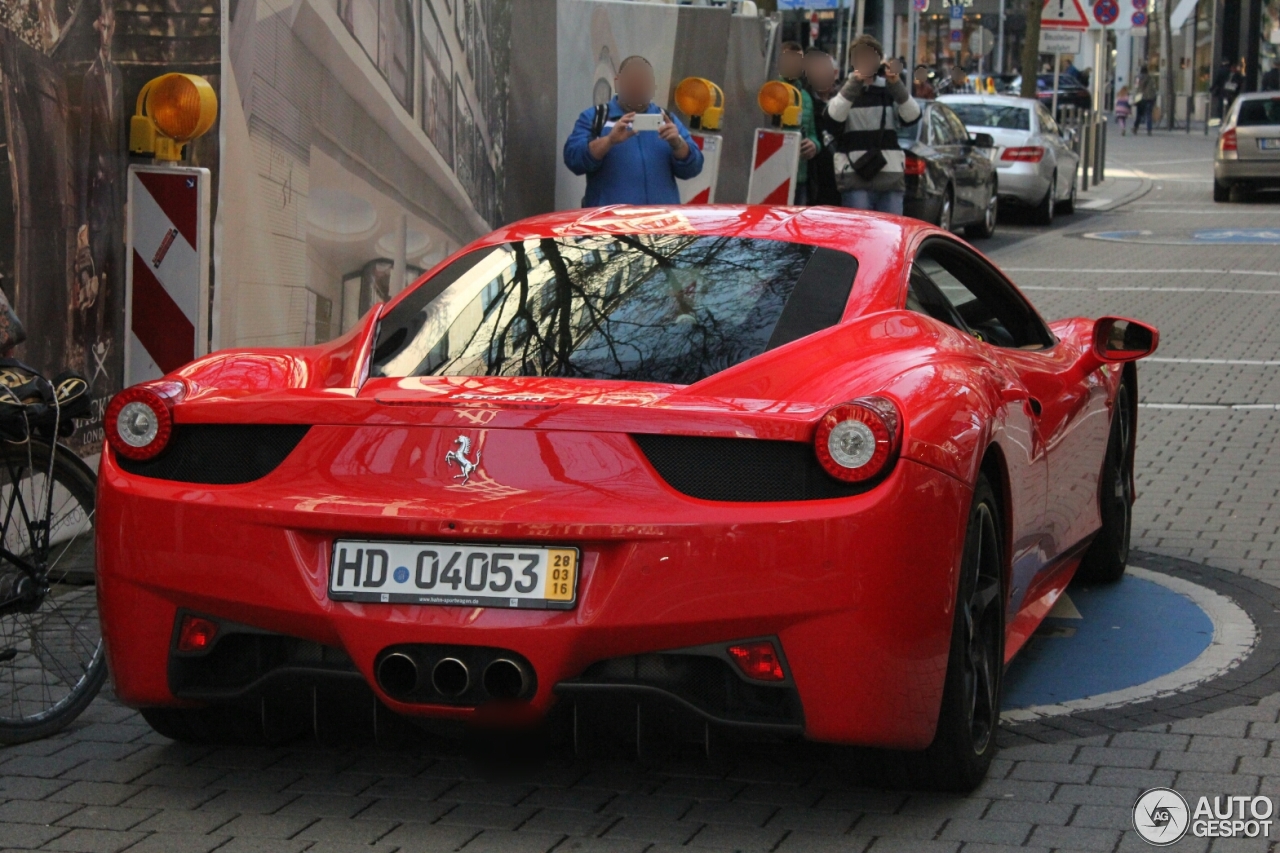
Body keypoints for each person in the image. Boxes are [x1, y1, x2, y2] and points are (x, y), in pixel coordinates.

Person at [563, 55, 703, 206]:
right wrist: (609, 141)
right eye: (631, 81)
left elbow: (693, 168)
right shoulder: (596, 117)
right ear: (617, 84)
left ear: (653, 87)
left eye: (644, 81)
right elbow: (574, 160)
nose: (637, 86)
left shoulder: (667, 119)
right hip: (611, 224)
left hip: (659, 224)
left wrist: (678, 144)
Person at [827, 34, 921, 215]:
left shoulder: (889, 89)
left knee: (890, 236)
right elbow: (834, 118)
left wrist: (896, 83)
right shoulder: (845, 90)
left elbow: (912, 116)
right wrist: (854, 83)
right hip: (855, 176)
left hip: (890, 177)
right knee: (860, 235)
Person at [778, 41, 821, 205]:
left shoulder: (806, 97)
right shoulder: (769, 91)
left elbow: (813, 134)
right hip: (773, 173)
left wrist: (814, 145)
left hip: (799, 177)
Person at [803, 49, 843, 206]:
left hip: (838, 177)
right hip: (814, 175)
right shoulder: (805, 101)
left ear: (835, 74)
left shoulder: (843, 102)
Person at [1135, 63, 1159, 135]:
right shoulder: (1150, 78)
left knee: (1139, 114)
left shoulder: (1138, 78)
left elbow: (1136, 87)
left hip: (1141, 97)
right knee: (1149, 114)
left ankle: (1136, 128)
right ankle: (1149, 130)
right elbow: (1153, 88)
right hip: (1150, 98)